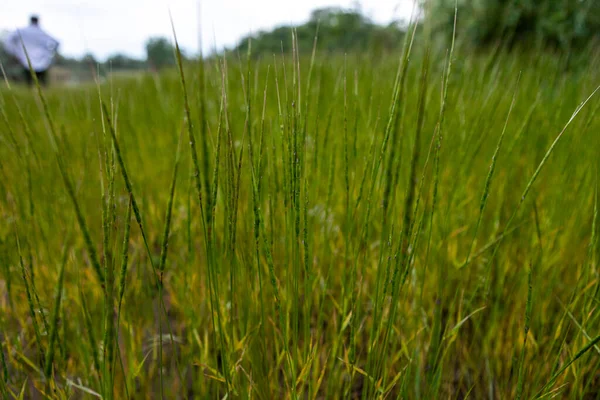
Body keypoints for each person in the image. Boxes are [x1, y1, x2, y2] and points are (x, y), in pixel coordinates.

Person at [3, 15, 59, 86]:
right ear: (38, 21)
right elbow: (56, 42)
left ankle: (31, 91)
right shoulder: (42, 32)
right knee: (41, 82)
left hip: (26, 58)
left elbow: (8, 40)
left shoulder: (22, 31)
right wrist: (49, 52)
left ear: (30, 21)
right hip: (42, 60)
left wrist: (14, 51)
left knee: (28, 81)